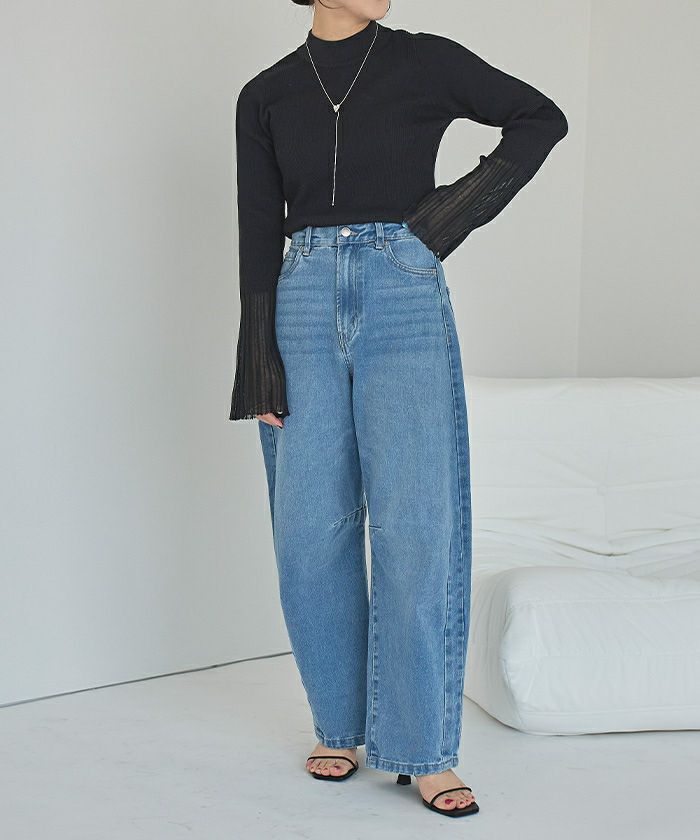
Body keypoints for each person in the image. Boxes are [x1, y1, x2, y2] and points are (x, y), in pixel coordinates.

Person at [229, 0, 567, 817]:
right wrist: (258, 364)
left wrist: (448, 215)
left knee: (417, 526)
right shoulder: (266, 93)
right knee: (309, 532)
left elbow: (540, 117)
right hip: (301, 299)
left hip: (402, 292)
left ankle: (422, 749)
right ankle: (339, 727)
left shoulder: (425, 59)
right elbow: (257, 226)